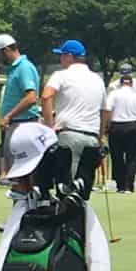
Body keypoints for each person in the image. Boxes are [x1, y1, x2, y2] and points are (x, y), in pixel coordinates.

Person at [41, 39, 107, 178]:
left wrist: (49, 128)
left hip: (68, 135)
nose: (60, 59)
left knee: (65, 185)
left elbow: (46, 97)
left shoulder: (60, 75)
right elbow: (104, 111)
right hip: (92, 138)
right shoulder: (98, 79)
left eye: (62, 55)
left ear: (69, 57)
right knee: (83, 186)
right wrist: (100, 137)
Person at [0, 33, 43, 178]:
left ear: (6, 50)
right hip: (15, 124)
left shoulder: (24, 67)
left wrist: (9, 117)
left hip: (23, 124)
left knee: (22, 173)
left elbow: (31, 98)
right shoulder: (14, 69)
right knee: (14, 174)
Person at [101, 75, 136, 193]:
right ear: (132, 84)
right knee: (132, 158)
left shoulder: (114, 94)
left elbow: (107, 110)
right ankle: (129, 186)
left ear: (120, 83)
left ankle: (121, 186)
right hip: (133, 127)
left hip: (116, 127)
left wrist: (106, 126)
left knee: (117, 158)